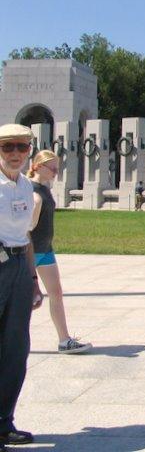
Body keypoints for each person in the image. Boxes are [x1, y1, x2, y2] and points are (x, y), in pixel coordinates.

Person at [0, 124, 42, 447]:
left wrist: (32, 278)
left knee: (16, 350)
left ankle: (4, 422)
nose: (15, 154)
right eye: (7, 147)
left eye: (21, 147)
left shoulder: (27, 187)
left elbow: (26, 236)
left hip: (18, 268)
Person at [28, 150, 92, 354]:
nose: (56, 171)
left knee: (56, 293)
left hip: (46, 249)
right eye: (52, 167)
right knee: (20, 299)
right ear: (38, 166)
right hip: (32, 251)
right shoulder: (33, 191)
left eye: (57, 167)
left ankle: (64, 340)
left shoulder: (44, 189)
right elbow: (27, 228)